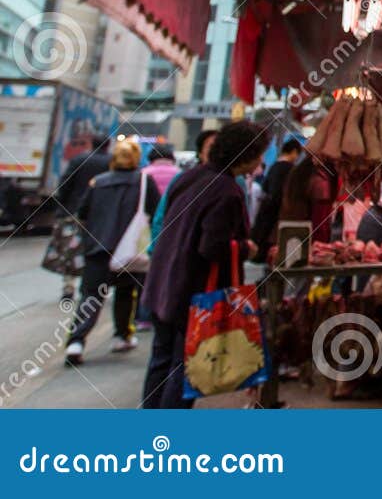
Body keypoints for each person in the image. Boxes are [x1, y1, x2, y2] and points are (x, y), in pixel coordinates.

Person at [140, 122, 270, 409]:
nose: (261, 160)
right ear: (246, 155)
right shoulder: (227, 191)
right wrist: (245, 247)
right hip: (192, 292)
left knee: (161, 361)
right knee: (185, 366)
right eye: (259, 153)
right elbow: (212, 248)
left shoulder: (192, 176)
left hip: (163, 281)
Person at [63, 140, 159, 364]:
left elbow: (83, 212)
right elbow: (155, 214)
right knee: (126, 292)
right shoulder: (145, 181)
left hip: (97, 249)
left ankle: (76, 342)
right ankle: (122, 335)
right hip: (129, 251)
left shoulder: (98, 182)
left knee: (91, 295)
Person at [44, 135, 113, 302]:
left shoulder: (79, 160)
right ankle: (89, 287)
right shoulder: (112, 162)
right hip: (101, 216)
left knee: (71, 251)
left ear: (91, 144)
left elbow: (64, 185)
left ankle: (68, 287)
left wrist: (63, 207)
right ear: (108, 145)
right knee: (95, 251)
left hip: (73, 213)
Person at [148, 128, 219, 244]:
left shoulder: (146, 173)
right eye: (211, 148)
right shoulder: (180, 175)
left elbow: (160, 217)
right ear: (200, 153)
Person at [250, 138, 302, 255]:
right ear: (294, 151)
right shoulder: (288, 168)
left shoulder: (274, 166)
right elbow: (280, 194)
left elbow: (266, 188)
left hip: (266, 213)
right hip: (277, 215)